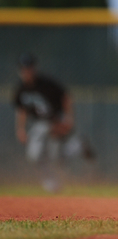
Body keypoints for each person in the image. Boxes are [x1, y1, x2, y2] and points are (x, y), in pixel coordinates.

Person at [13, 53, 95, 193]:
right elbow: (22, 110)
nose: (27, 71)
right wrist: (20, 128)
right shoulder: (21, 89)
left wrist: (68, 119)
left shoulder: (46, 83)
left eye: (29, 68)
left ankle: (52, 181)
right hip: (40, 125)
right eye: (24, 69)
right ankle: (76, 147)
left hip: (54, 121)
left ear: (34, 68)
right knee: (38, 155)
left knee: (56, 158)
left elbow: (66, 98)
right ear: (20, 70)